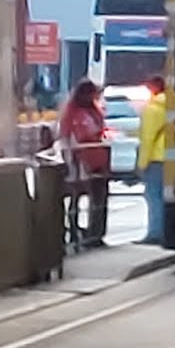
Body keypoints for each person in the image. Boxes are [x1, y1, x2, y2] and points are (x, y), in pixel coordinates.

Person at [59, 79, 110, 248]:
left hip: (97, 159)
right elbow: (70, 136)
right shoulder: (73, 113)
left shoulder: (94, 111)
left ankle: (95, 234)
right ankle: (75, 232)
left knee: (98, 199)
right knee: (76, 199)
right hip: (81, 160)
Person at [136, 76, 168, 245]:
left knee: (153, 196)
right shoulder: (174, 105)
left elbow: (147, 138)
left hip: (156, 158)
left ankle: (155, 233)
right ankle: (164, 231)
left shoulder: (153, 109)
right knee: (164, 197)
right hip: (173, 156)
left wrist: (142, 164)